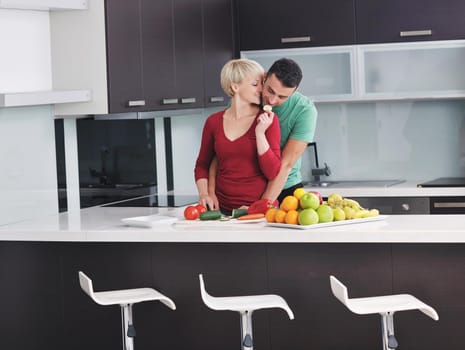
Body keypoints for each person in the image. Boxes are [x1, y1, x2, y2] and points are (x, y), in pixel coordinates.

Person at [194, 59, 281, 214]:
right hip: (221, 212)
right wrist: (205, 194)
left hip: (258, 212)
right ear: (235, 87)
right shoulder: (213, 122)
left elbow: (273, 171)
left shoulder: (267, 120)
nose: (262, 90)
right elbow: (202, 165)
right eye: (255, 84)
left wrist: (260, 133)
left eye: (262, 83)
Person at [259, 58, 318, 204]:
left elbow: (286, 164)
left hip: (285, 188)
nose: (272, 101)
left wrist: (261, 206)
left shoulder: (304, 110)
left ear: (295, 91)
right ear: (264, 77)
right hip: (248, 187)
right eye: (270, 91)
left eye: (282, 96)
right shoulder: (246, 97)